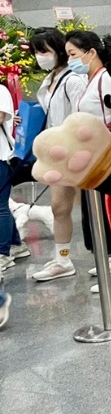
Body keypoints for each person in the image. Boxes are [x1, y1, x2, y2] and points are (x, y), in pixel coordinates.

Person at [64, 30, 111, 291]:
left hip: (110, 156)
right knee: (100, 213)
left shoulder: (109, 79)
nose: (70, 60)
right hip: (96, 157)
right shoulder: (91, 80)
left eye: (73, 54)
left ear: (91, 53)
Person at [29, 29, 87, 282]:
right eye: (36, 51)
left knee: (92, 208)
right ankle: (62, 259)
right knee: (59, 207)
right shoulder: (50, 79)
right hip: (57, 154)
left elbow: (81, 116)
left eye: (44, 50)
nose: (39, 56)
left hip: (77, 152)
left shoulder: (73, 80)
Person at [0, 81, 29, 271]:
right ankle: (16, 245)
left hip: (1, 156)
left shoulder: (1, 90)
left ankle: (3, 253)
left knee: (0, 206)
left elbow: (1, 116)